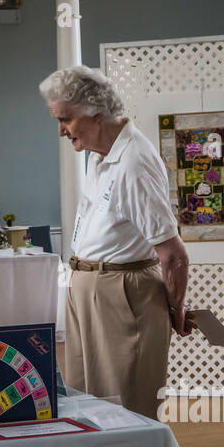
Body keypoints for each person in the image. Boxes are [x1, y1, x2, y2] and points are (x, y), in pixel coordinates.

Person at [39, 66, 193, 419]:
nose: (61, 131)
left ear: (95, 113)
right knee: (86, 399)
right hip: (87, 285)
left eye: (66, 119)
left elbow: (173, 255)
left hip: (122, 290)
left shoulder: (135, 162)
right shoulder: (100, 154)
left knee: (126, 404)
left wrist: (176, 309)